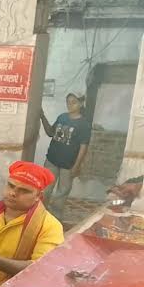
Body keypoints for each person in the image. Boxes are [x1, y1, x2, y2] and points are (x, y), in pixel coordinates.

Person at [39, 92, 91, 220]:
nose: (70, 105)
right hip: (52, 160)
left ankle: (54, 219)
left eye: (74, 102)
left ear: (81, 104)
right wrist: (42, 117)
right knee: (45, 189)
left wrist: (76, 166)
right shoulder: (62, 117)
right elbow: (50, 132)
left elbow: (83, 147)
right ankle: (39, 215)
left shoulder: (84, 124)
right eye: (68, 102)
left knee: (62, 193)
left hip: (68, 164)